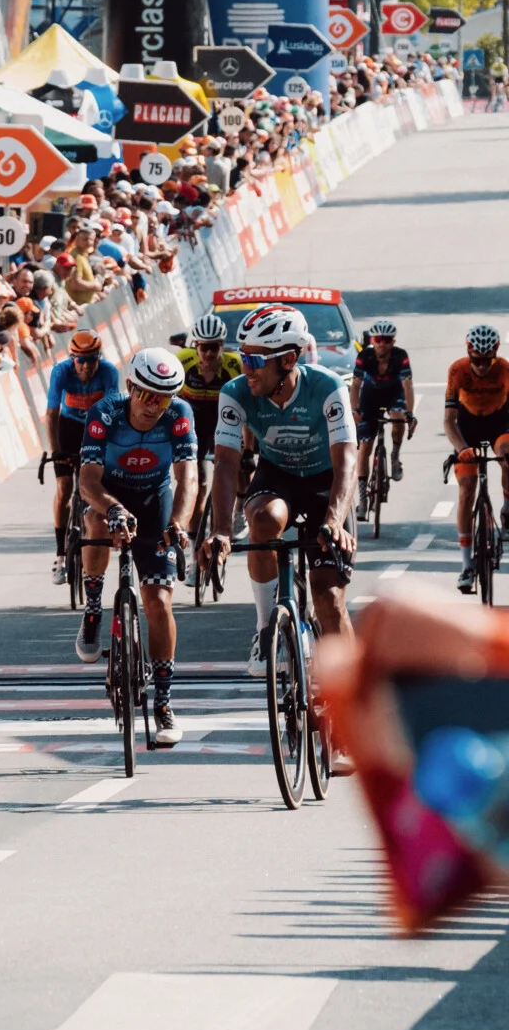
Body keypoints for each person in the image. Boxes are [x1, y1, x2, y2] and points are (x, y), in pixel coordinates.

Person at [201, 304, 358, 676]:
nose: (245, 370)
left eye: (254, 361)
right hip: (278, 476)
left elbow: (347, 459)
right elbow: (225, 463)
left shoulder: (326, 387)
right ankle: (265, 626)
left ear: (288, 359)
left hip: (326, 482)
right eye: (241, 358)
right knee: (264, 519)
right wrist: (221, 531)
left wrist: (335, 520)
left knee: (328, 598)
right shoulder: (236, 392)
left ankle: (352, 692)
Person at [75, 347, 197, 745]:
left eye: (163, 398)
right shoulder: (104, 414)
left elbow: (188, 479)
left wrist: (179, 523)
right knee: (93, 519)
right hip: (107, 494)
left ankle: (163, 702)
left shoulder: (179, 416)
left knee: (159, 601)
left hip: (153, 498)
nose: (153, 406)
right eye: (145, 395)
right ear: (130, 387)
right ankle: (94, 608)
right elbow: (87, 482)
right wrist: (112, 508)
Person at [45, 329, 121, 587]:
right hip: (69, 426)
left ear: (99, 358)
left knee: (98, 483)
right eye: (80, 360)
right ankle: (60, 555)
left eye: (92, 359)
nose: (86, 366)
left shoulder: (109, 372)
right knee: (65, 487)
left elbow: (113, 412)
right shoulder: (61, 372)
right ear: (72, 358)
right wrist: (56, 450)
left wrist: (111, 446)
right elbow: (52, 414)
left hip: (97, 427)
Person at [443, 323, 509, 595]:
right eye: (477, 361)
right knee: (467, 487)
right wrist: (461, 448)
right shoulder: (458, 370)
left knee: (506, 454)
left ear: (495, 355)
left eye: (487, 361)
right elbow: (449, 421)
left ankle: (507, 507)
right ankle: (467, 565)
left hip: (500, 423)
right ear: (469, 355)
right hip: (468, 428)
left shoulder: (505, 370)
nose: (481, 367)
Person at [177, 313, 242, 554]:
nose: (208, 354)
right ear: (196, 346)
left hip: (223, 418)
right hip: (194, 420)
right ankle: (194, 548)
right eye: (203, 347)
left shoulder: (234, 364)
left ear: (222, 346)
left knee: (239, 464)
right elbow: (170, 401)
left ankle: (240, 507)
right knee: (200, 484)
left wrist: (247, 449)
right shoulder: (183, 361)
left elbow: (244, 403)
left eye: (213, 348)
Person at [352, 319, 416, 519]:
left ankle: (395, 456)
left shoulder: (400, 356)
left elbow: (407, 386)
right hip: (370, 396)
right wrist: (355, 410)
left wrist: (410, 413)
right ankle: (362, 500)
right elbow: (355, 385)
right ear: (372, 340)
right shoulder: (365, 356)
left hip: (393, 394)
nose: (382, 344)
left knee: (398, 417)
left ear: (392, 341)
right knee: (365, 446)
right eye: (378, 340)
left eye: (387, 340)